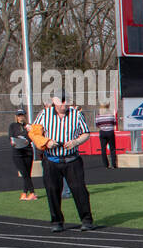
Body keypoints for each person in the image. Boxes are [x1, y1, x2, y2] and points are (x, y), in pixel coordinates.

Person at [28, 91, 95, 231]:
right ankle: (56, 221)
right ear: (54, 101)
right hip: (51, 159)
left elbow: (86, 133)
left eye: (66, 102)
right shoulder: (44, 115)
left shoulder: (76, 114)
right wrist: (47, 142)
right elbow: (34, 134)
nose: (63, 105)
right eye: (61, 102)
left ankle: (86, 219)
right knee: (52, 190)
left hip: (72, 159)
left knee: (79, 190)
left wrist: (76, 141)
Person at [8, 108, 37, 200]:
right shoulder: (12, 126)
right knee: (24, 173)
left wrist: (27, 141)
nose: (21, 117)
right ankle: (32, 192)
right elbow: (10, 137)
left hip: (28, 152)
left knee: (27, 173)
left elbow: (32, 137)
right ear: (16, 116)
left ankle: (24, 192)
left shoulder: (28, 126)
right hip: (17, 152)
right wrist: (13, 142)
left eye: (22, 115)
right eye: (19, 115)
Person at [94, 104, 117, 168]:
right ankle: (113, 164)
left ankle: (106, 165)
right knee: (112, 148)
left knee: (103, 149)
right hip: (110, 132)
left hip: (102, 132)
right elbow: (114, 123)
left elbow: (97, 125)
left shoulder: (98, 116)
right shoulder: (111, 115)